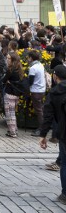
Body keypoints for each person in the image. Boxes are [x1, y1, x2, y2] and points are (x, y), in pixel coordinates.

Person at [39, 65, 66, 205]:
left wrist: (43, 135)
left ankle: (65, 195)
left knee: (65, 163)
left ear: (55, 76)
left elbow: (48, 116)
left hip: (63, 131)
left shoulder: (54, 92)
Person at [1, 51, 24, 138]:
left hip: (9, 93)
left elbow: (3, 80)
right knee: (13, 112)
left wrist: (7, 81)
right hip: (16, 94)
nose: (7, 60)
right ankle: (15, 129)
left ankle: (12, 131)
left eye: (8, 58)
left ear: (13, 59)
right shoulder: (20, 69)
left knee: (9, 114)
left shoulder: (10, 70)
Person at [28, 49, 47, 137]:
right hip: (41, 89)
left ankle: (41, 129)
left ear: (31, 58)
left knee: (39, 110)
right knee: (41, 109)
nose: (27, 59)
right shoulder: (40, 65)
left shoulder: (33, 68)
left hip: (36, 90)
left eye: (28, 57)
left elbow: (30, 81)